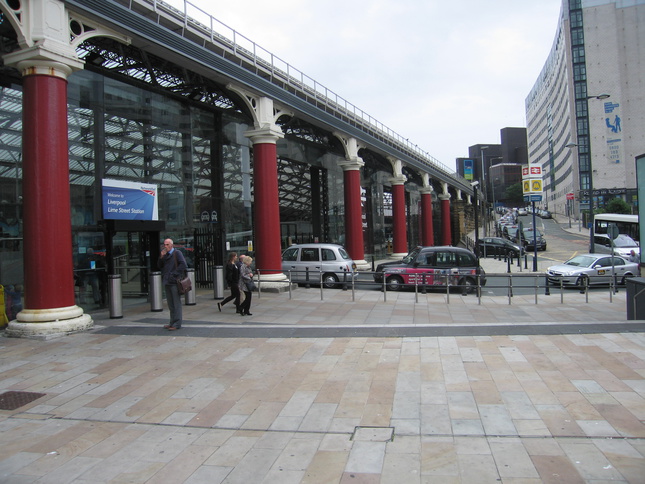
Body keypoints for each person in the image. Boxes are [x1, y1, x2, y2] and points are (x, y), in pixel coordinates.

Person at [158, 238, 187, 330]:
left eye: (167, 244)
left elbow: (183, 264)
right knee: (170, 304)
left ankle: (177, 323)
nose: (165, 246)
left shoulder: (177, 253)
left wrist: (174, 274)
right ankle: (172, 322)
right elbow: (160, 266)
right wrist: (161, 257)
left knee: (176, 303)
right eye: (164, 245)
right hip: (167, 281)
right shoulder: (166, 255)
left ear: (171, 245)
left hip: (174, 281)